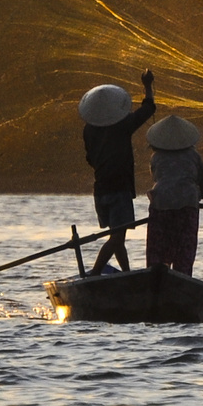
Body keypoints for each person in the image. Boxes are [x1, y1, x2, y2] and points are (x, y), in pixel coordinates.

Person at [78, 69, 156, 276]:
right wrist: (147, 85)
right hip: (119, 189)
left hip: (101, 189)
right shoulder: (121, 126)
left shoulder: (89, 130)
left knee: (116, 234)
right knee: (117, 237)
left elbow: (90, 159)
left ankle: (126, 273)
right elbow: (148, 109)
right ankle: (95, 272)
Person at [144, 115, 203, 276]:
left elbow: (157, 177)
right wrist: (199, 196)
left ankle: (157, 276)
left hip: (161, 202)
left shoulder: (156, 156)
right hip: (187, 204)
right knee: (184, 248)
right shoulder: (193, 155)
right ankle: (181, 277)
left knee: (159, 248)